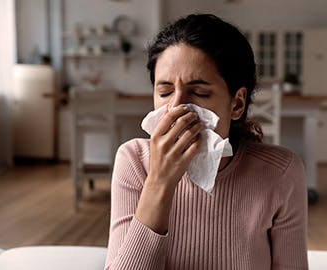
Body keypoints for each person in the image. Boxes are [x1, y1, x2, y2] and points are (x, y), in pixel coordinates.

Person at [105, 14, 308, 270]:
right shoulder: (133, 161)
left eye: (199, 92)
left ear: (237, 103)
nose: (176, 105)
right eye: (165, 91)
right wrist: (159, 182)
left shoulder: (281, 172)